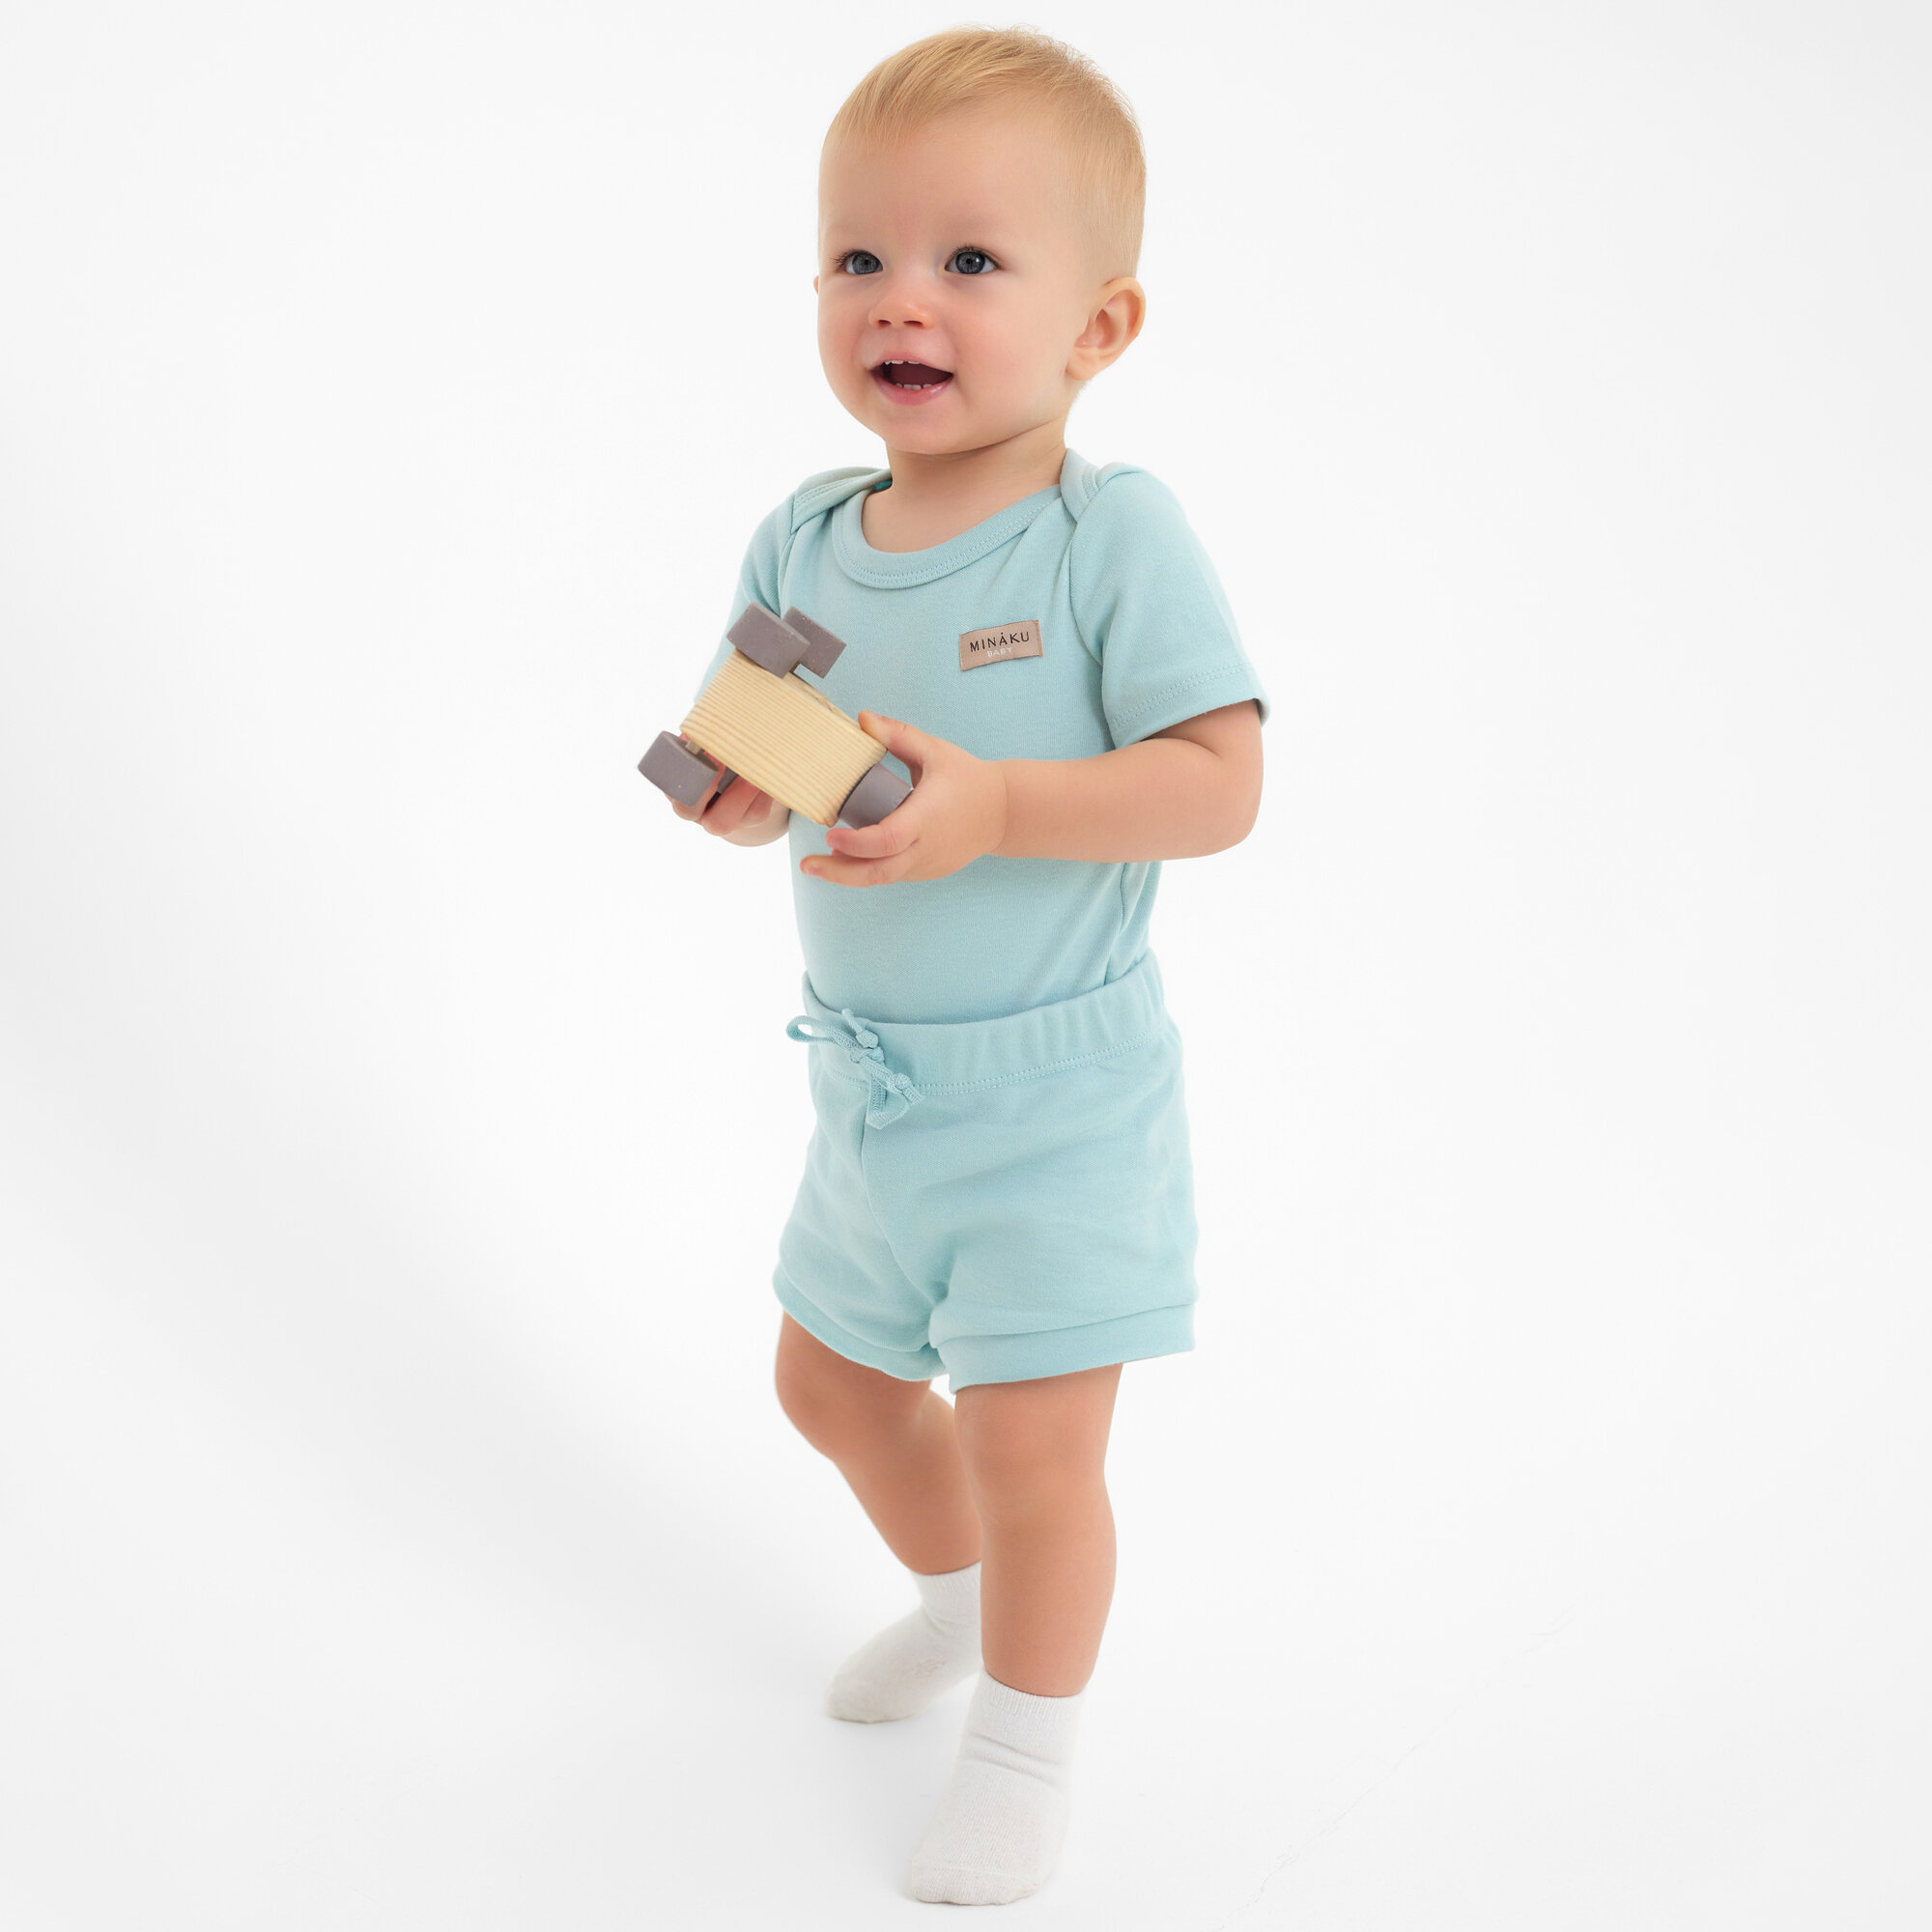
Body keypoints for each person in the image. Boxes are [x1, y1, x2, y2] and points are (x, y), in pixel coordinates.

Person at [664, 25, 1269, 1907]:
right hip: (869, 1087)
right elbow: (752, 737)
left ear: (1100, 328)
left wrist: (998, 805)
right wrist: (734, 794)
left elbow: (1221, 784)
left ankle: (1022, 1746)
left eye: (970, 261)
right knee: (829, 1387)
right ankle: (956, 1605)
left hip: (1057, 1100)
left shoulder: (1106, 535)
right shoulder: (804, 535)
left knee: (1030, 1443)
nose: (899, 299)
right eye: (857, 256)